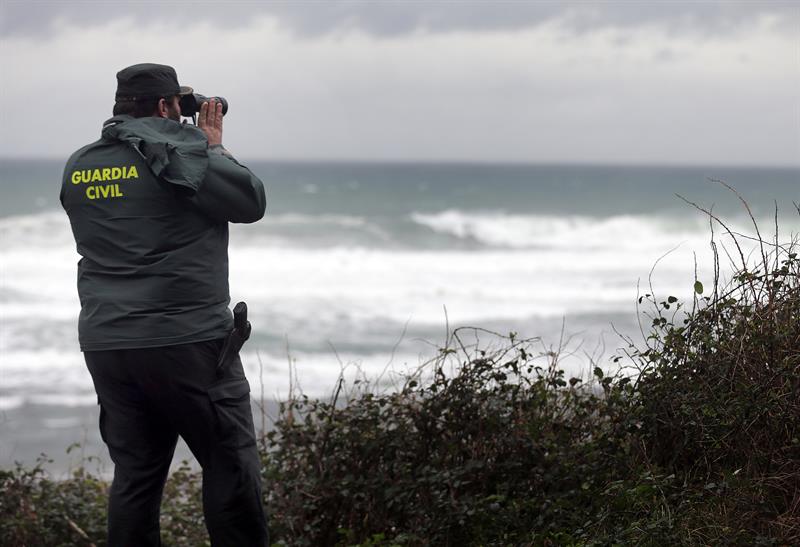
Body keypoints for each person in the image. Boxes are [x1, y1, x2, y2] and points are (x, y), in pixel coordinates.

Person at [60, 63, 269, 546]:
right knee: (229, 463)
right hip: (187, 341)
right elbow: (249, 201)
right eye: (179, 103)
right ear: (164, 106)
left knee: (135, 475)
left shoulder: (80, 163)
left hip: (109, 343)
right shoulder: (185, 153)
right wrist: (211, 144)